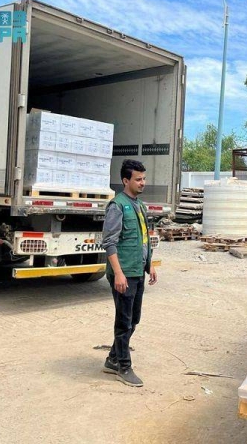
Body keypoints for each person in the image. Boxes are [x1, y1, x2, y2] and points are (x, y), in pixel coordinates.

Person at [101, 159, 157, 387]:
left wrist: (149, 265)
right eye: (138, 179)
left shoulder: (140, 206)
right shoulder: (117, 206)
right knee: (124, 321)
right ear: (126, 180)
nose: (143, 182)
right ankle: (124, 366)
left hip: (137, 270)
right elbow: (109, 242)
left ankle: (113, 358)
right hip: (123, 273)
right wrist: (119, 274)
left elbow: (144, 239)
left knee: (134, 319)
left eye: (144, 178)